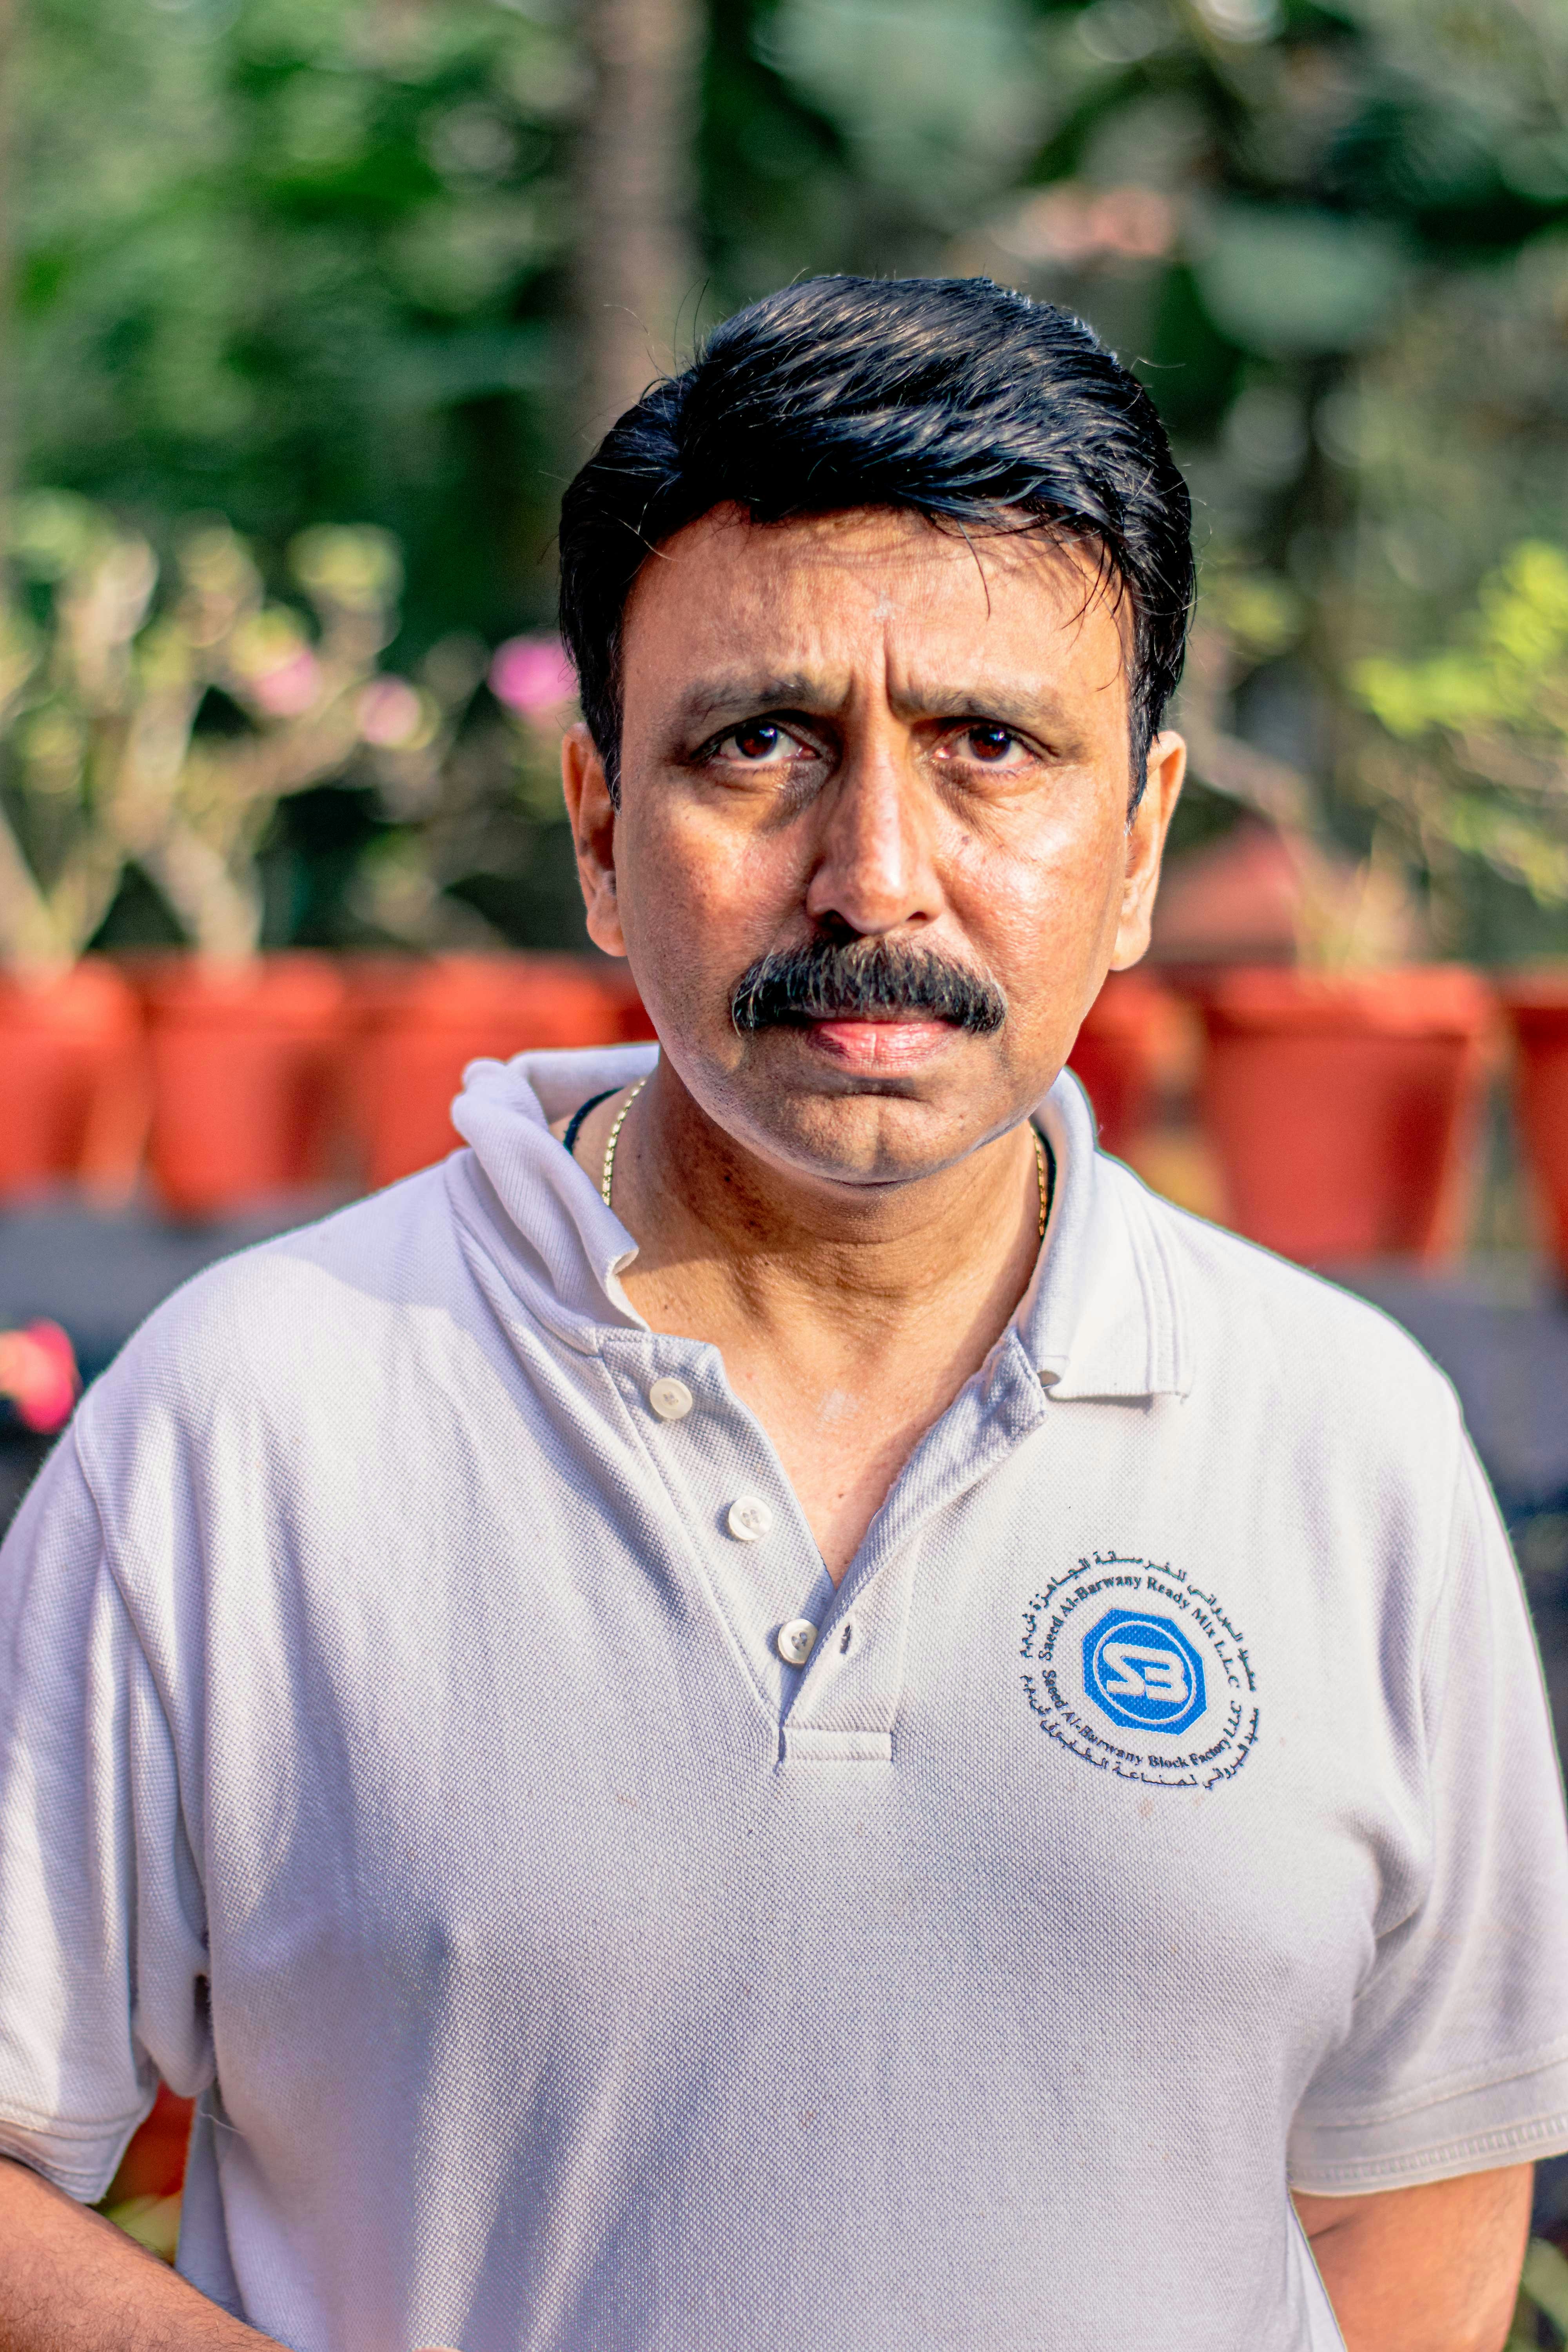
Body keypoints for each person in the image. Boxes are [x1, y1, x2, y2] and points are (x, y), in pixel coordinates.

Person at [1, 275, 1565, 2352]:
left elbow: (1420, 2208)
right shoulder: (254, 1417)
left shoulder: (1344, 1440)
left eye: (992, 747)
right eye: (762, 744)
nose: (874, 876)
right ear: (596, 830)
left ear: (1139, 850)